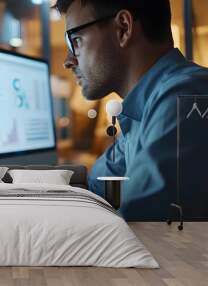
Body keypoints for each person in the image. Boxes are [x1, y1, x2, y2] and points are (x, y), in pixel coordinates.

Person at [53, 0, 208, 220]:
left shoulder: (185, 98)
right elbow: (97, 186)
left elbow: (138, 227)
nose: (68, 61)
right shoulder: (142, 112)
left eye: (76, 40)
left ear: (123, 28)